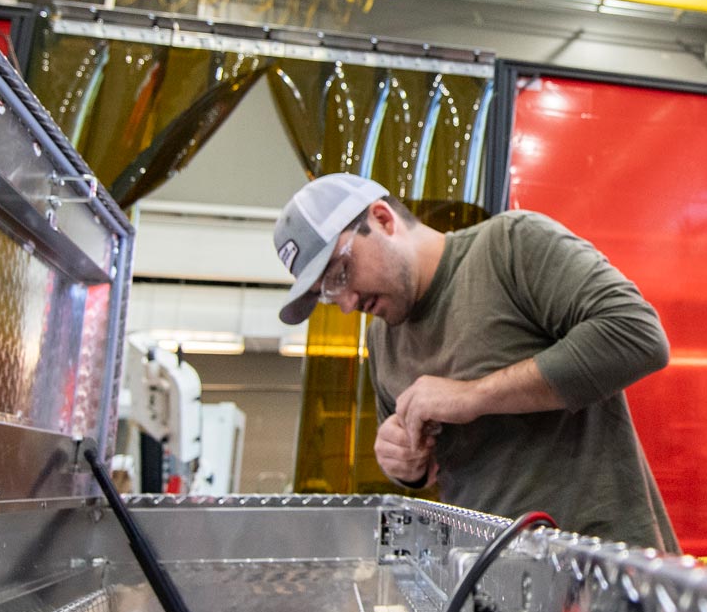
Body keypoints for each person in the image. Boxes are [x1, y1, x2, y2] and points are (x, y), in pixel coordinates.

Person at [272, 174, 678, 550]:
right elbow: (424, 460)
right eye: (327, 293)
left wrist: (473, 396)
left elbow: (637, 334)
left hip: (601, 568)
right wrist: (405, 464)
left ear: (382, 219)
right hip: (489, 579)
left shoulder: (510, 246)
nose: (346, 303)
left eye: (340, 273)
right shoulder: (382, 336)